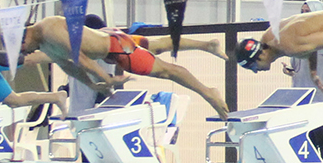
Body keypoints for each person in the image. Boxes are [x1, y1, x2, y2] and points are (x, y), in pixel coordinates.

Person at [21, 15, 230, 116]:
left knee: (166, 71)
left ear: (23, 38)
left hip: (117, 49)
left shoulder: (49, 30)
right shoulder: (43, 41)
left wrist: (106, 80)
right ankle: (207, 45)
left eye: (24, 50)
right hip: (112, 39)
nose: (27, 53)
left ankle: (208, 92)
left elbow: (82, 59)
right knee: (156, 45)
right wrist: (93, 85)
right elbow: (71, 68)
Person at [283, 0, 323, 163]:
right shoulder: (298, 40)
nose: (303, 16)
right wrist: (291, 71)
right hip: (302, 98)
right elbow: (298, 67)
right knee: (306, 139)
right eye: (302, 12)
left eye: (308, 12)